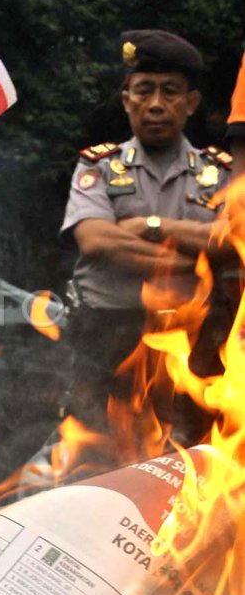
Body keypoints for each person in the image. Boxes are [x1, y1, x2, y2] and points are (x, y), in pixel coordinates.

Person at [59, 29, 234, 455]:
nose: (156, 104)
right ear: (126, 99)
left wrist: (152, 225)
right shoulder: (98, 165)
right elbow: (97, 241)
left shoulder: (220, 173)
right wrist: (195, 258)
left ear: (190, 103)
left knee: (185, 457)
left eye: (170, 92)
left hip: (190, 337)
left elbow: (232, 240)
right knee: (90, 452)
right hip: (105, 335)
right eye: (144, 91)